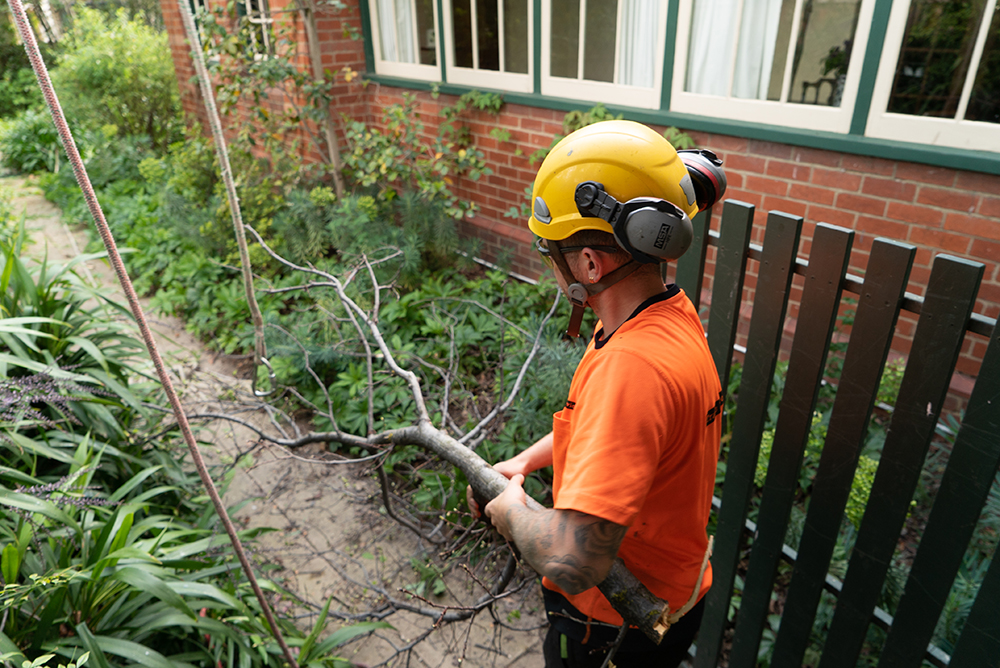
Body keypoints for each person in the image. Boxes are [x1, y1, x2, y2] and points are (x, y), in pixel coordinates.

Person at [467, 120, 726, 667]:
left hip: (610, 621)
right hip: (676, 589)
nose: (550, 263)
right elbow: (607, 433)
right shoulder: (661, 317)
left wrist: (511, 512)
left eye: (551, 250)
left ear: (589, 263)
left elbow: (575, 559)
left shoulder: (632, 367)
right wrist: (527, 461)